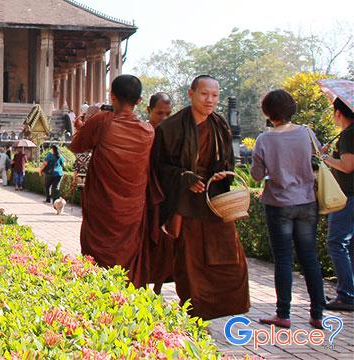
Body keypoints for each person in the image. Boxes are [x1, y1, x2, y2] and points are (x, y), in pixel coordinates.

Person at [151, 75, 249, 320]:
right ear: (191, 93)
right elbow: (157, 168)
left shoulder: (220, 126)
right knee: (190, 261)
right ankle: (195, 312)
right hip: (186, 204)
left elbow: (228, 162)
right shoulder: (170, 128)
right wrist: (183, 177)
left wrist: (220, 176)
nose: (210, 100)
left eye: (215, 95)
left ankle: (226, 307)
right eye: (205, 94)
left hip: (215, 202)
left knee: (230, 259)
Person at [70, 75, 155, 287]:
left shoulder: (103, 121)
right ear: (139, 101)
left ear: (112, 96)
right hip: (132, 210)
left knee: (96, 264)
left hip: (102, 207)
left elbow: (76, 146)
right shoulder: (148, 131)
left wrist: (81, 126)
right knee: (127, 262)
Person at [250, 89, 325, 328]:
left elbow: (256, 176)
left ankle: (283, 313)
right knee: (310, 257)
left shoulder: (264, 139)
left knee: (283, 259)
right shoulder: (306, 133)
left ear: (268, 112)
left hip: (279, 204)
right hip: (306, 202)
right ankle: (317, 314)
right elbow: (318, 156)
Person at [321, 97, 354, 311]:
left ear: (339, 113)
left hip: (348, 196)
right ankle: (349, 292)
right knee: (349, 245)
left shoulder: (350, 134)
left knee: (336, 243)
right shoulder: (347, 134)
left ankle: (346, 295)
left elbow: (347, 166)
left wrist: (325, 158)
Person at [144, 91, 175, 294]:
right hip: (144, 194)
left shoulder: (174, 135)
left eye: (167, 113)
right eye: (159, 113)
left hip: (166, 195)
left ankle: (158, 286)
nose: (164, 118)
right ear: (149, 110)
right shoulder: (143, 133)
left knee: (165, 242)